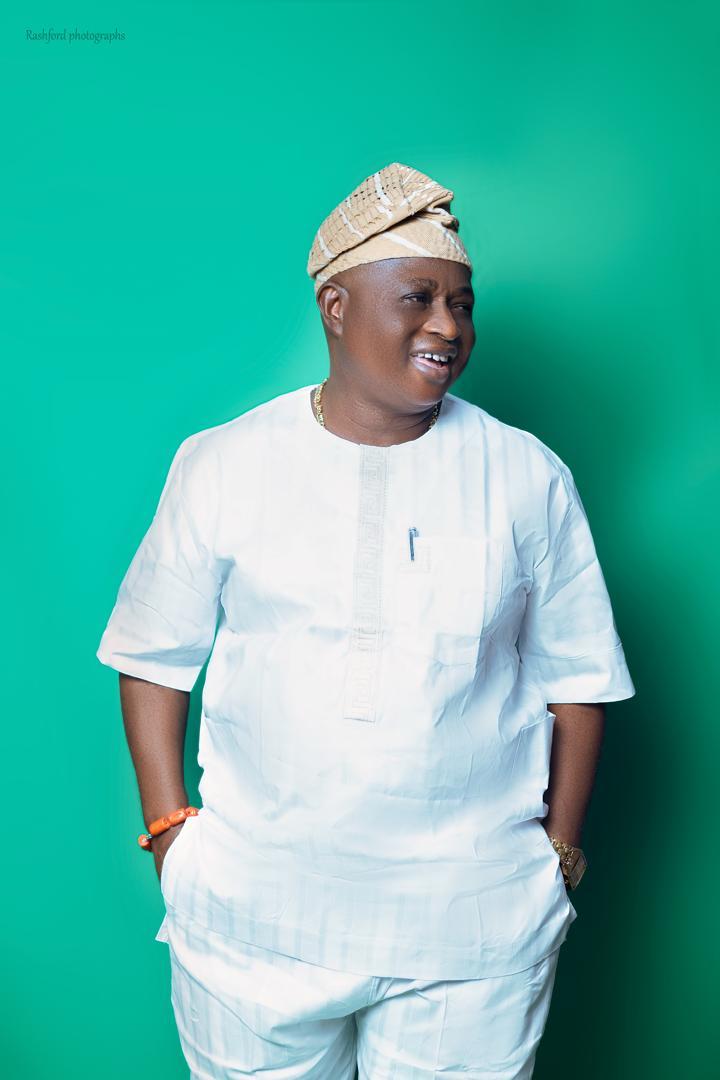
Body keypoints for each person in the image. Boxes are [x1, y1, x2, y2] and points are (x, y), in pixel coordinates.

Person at [97, 162, 636, 1078]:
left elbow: (579, 678)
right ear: (336, 307)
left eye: (462, 304)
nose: (448, 327)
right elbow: (152, 653)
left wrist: (557, 857)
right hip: (253, 922)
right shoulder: (224, 463)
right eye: (419, 298)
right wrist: (170, 834)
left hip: (472, 929)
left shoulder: (525, 474)